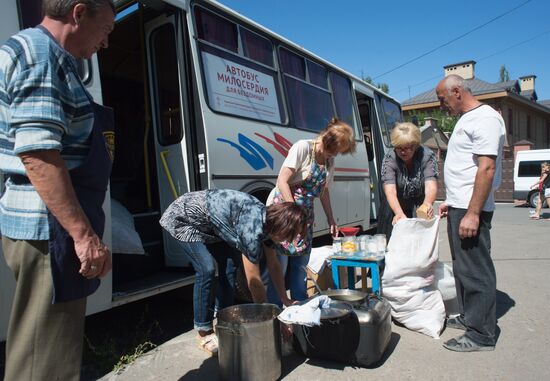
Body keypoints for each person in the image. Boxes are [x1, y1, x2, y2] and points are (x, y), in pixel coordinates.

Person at [0, 1, 116, 379]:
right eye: (106, 30)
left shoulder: (43, 54)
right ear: (79, 13)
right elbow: (38, 153)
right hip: (50, 230)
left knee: (44, 348)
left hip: (51, 227)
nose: (106, 43)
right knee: (44, 363)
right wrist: (82, 236)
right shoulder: (42, 56)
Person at [159, 189, 306, 356]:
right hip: (184, 216)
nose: (289, 240)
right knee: (207, 269)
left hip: (211, 225)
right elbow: (254, 281)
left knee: (230, 268)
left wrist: (284, 298)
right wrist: (270, 320)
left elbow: (274, 265)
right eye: (290, 234)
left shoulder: (269, 225)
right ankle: (204, 333)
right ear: (282, 226)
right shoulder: (252, 228)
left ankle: (224, 324)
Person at [435, 74, 505, 352]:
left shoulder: (485, 118)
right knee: (464, 267)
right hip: (460, 204)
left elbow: (486, 168)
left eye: (443, 99)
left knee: (476, 270)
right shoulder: (467, 119)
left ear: (457, 91)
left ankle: (481, 334)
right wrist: (451, 201)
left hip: (470, 208)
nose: (442, 105)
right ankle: (469, 317)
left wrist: (473, 213)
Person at [265, 118, 356, 305]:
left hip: (304, 216)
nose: (335, 155)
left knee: (300, 265)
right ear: (327, 140)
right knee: (279, 265)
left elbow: (323, 192)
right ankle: (274, 309)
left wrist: (332, 219)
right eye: (335, 150)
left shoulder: (329, 163)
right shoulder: (302, 148)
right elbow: (282, 181)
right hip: (284, 213)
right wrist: (293, 214)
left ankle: (301, 307)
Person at [377, 122, 438, 239]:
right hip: (394, 205)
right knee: (392, 241)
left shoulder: (427, 156)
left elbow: (431, 186)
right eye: (399, 148)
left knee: (419, 240)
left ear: (415, 145)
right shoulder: (390, 159)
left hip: (419, 205)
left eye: (407, 148)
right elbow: (390, 191)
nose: (403, 152)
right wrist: (399, 213)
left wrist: (427, 203)